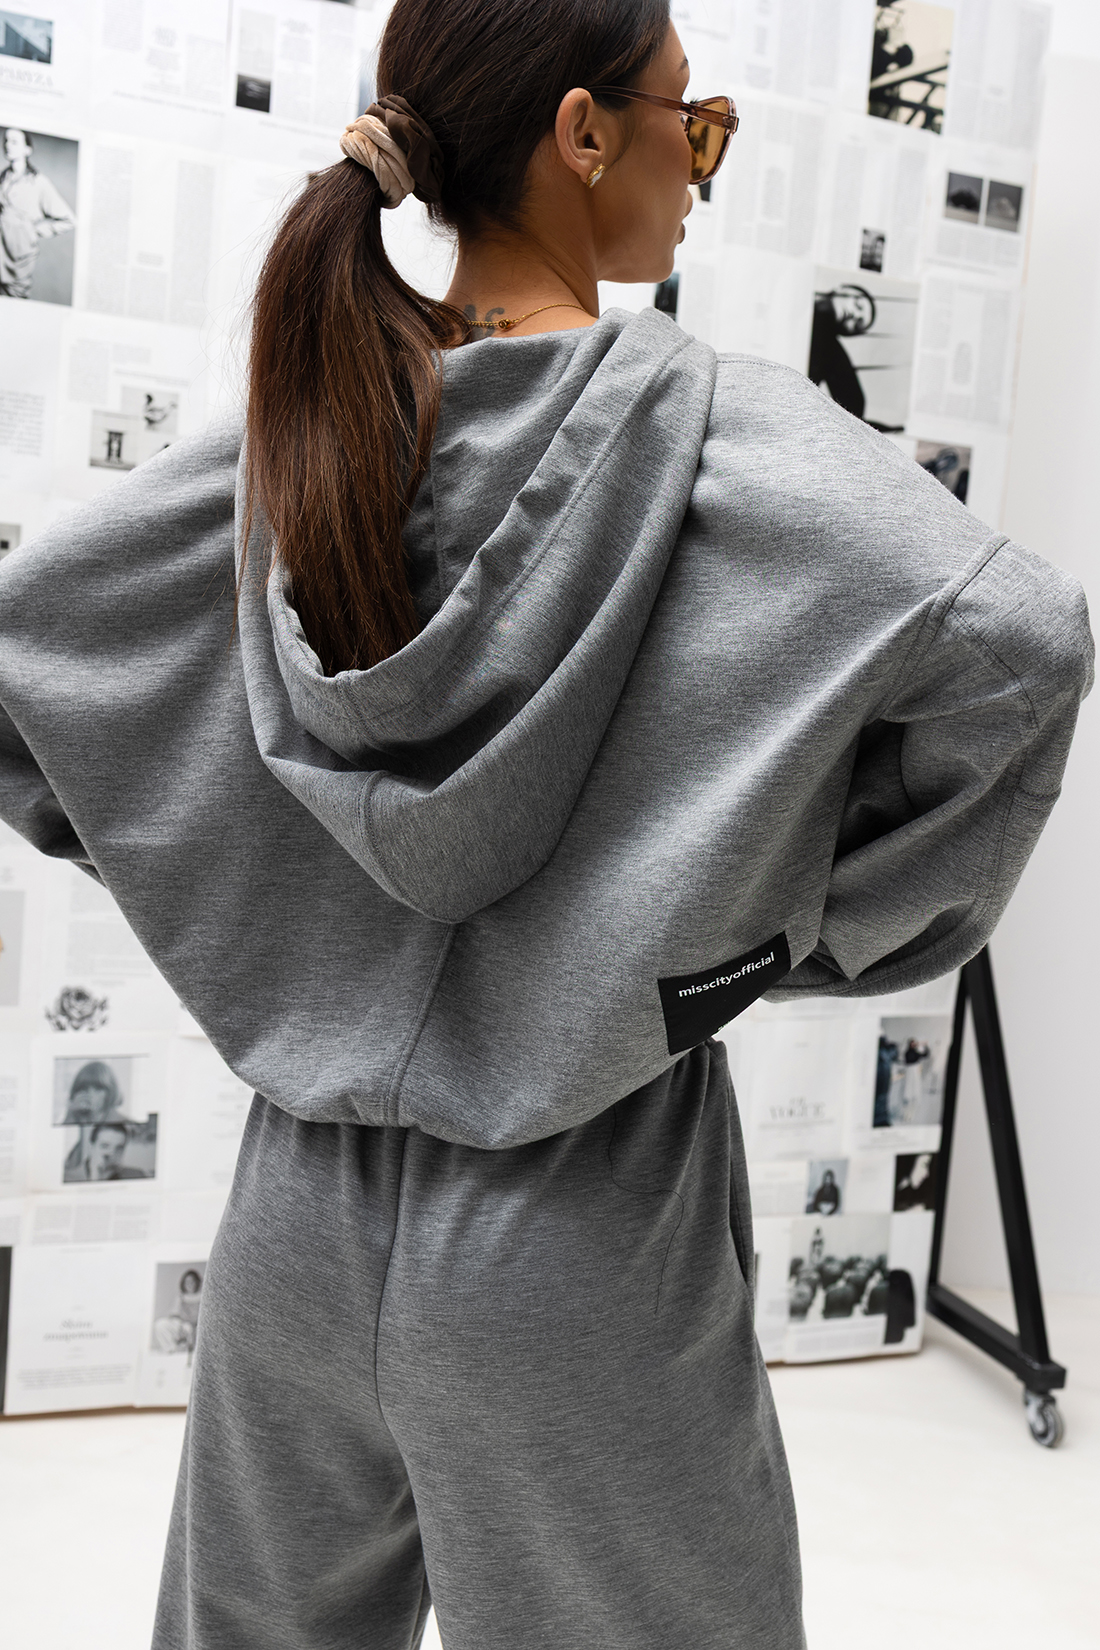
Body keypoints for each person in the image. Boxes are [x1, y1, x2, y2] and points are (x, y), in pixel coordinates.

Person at [0, 1, 1091, 1645]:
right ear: (584, 133)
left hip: (293, 1218)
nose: (702, 164)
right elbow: (1022, 643)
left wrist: (241, 893)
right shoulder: (722, 442)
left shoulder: (315, 434)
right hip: (583, 1224)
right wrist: (776, 927)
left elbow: (30, 661)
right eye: (690, 120)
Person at [0, 127, 75, 299]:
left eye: (14, 142)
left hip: (19, 259)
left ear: (27, 149)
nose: (8, 145)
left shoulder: (38, 182)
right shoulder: (3, 178)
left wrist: (32, 231)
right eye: (6, 141)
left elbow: (68, 220)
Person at [64, 1119, 145, 1182]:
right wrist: (95, 1177)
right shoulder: (68, 1178)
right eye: (105, 1146)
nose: (111, 1153)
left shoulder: (137, 1176)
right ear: (91, 1146)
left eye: (118, 1148)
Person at [60, 1058, 125, 1125]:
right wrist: (71, 1114)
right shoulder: (76, 1117)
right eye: (84, 1088)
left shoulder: (121, 1122)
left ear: (110, 1092)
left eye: (98, 1089)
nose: (90, 1094)